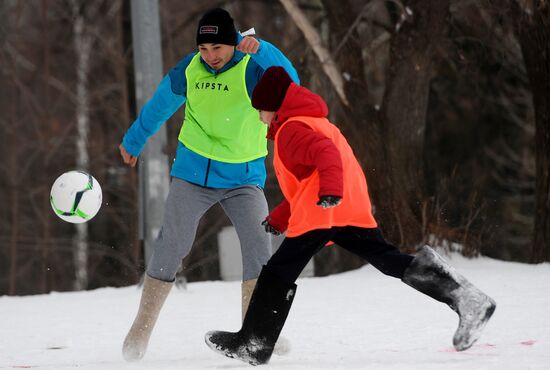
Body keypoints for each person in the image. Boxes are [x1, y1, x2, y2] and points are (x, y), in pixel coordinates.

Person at [204, 67, 497, 366]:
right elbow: (309, 178)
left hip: (325, 209)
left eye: (261, 109)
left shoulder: (292, 128)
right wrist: (282, 216)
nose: (260, 117)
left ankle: (254, 343)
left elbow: (326, 156)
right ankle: (466, 298)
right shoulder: (314, 121)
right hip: (347, 207)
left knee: (278, 271)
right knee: (389, 260)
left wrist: (330, 193)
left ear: (275, 106)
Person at [119, 9, 299, 362]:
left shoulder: (253, 66)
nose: (211, 56)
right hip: (193, 174)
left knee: (258, 248)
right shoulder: (190, 69)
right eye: (204, 48)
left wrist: (262, 49)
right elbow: (159, 105)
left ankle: (256, 333)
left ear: (233, 42)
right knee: (172, 244)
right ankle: (141, 328)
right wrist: (134, 140)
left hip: (244, 179)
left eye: (217, 47)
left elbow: (291, 83)